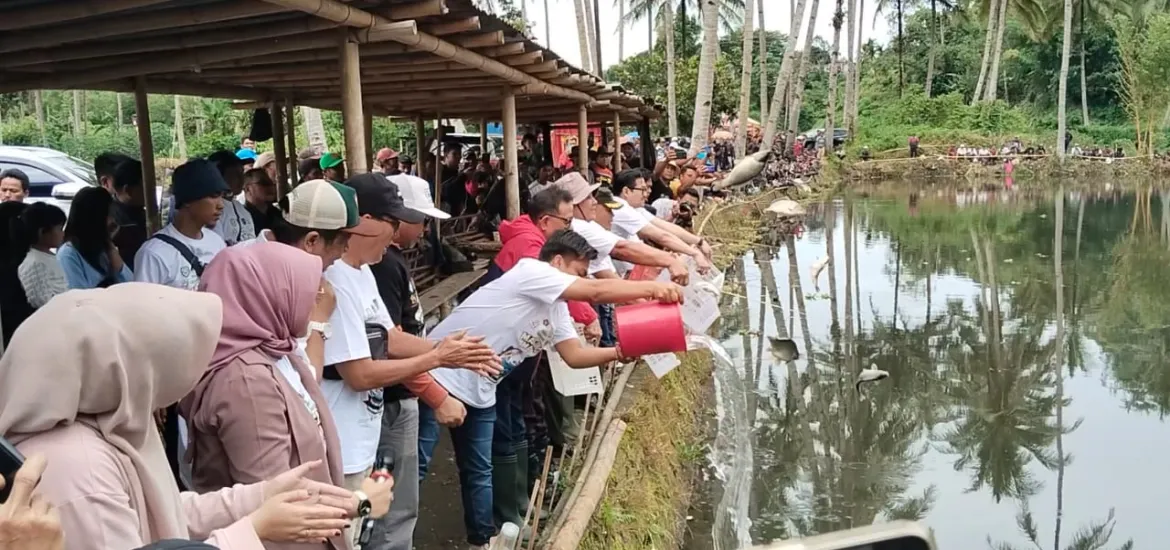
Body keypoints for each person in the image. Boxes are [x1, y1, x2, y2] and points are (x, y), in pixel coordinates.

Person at [0, 284, 353, 550]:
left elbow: (159, 511)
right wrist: (252, 531)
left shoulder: (107, 423)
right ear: (130, 370)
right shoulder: (77, 466)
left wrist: (259, 496)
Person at [418, 229, 683, 549]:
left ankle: (481, 541)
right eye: (579, 272)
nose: (583, 281)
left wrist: (617, 353)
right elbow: (597, 292)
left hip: (481, 388)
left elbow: (574, 355)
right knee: (416, 469)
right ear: (557, 261)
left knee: (479, 470)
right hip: (439, 375)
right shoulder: (533, 271)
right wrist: (654, 286)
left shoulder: (556, 308)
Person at [321, 173, 499, 547]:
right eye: (393, 221)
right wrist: (436, 357)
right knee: (350, 532)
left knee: (374, 519)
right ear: (363, 222)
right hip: (343, 438)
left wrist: (455, 353)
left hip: (364, 434)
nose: (399, 229)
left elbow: (390, 337)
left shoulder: (363, 271)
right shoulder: (333, 279)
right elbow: (360, 374)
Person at [181, 243, 394, 550]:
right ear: (265, 294)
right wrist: (360, 502)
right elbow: (275, 503)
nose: (319, 295)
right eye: (305, 286)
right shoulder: (246, 382)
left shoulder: (276, 347)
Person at [480, 187, 598, 528]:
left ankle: (520, 504)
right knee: (505, 428)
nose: (571, 227)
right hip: (496, 359)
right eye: (567, 221)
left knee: (516, 422)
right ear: (547, 221)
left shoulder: (538, 246)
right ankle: (505, 518)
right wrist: (589, 317)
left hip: (517, 356)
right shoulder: (532, 251)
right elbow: (578, 291)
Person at [365, 173, 453, 550]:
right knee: (391, 500)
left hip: (399, 391)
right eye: (418, 219)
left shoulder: (389, 261)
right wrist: (436, 387)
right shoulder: (381, 266)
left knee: (398, 494)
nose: (422, 227)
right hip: (391, 397)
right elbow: (389, 343)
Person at [552, 172, 688, 284]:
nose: (593, 202)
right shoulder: (580, 227)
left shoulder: (587, 225)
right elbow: (623, 249)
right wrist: (669, 260)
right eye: (588, 197)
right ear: (572, 205)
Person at [135, 159, 228, 290]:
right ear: (188, 200)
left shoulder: (217, 243)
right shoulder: (154, 253)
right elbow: (144, 304)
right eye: (213, 196)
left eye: (222, 196)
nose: (221, 205)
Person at [609, 169, 712, 276]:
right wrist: (694, 253)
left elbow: (665, 227)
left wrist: (699, 241)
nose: (646, 194)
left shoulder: (635, 208)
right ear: (626, 191)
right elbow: (661, 236)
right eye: (643, 190)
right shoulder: (620, 207)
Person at [58, 187, 134, 289]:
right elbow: (78, 298)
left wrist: (117, 263)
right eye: (109, 215)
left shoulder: (103, 250)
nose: (112, 221)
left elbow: (132, 286)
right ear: (95, 219)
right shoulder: (68, 254)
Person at [13, 202, 68, 308]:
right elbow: (41, 301)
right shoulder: (34, 263)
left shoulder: (48, 257)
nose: (63, 233)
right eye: (59, 229)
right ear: (42, 232)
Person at [101, 157, 150, 263]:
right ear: (128, 190)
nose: (151, 191)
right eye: (145, 187)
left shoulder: (140, 212)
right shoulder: (113, 221)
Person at [209, 150, 257, 246]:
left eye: (242, 173)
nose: (241, 178)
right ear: (219, 175)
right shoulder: (211, 211)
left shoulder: (242, 209)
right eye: (235, 174)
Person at [243, 169, 282, 233]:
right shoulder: (242, 217)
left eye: (272, 183)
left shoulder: (277, 214)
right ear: (248, 189)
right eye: (263, 183)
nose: (270, 187)